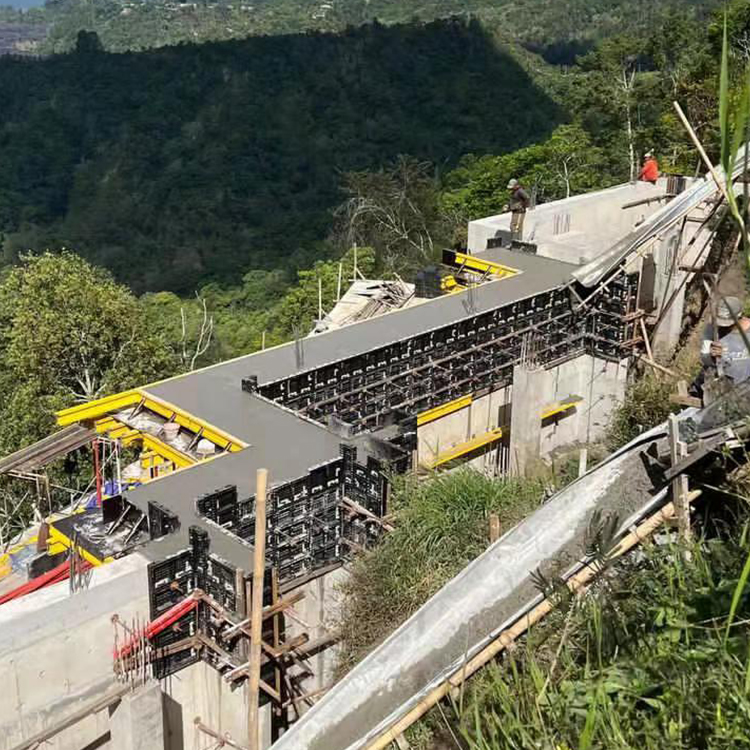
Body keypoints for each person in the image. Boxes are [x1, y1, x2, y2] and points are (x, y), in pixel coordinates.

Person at [693, 296, 750, 405]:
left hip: (744, 391)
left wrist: (727, 356)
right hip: (717, 391)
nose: (723, 327)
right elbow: (705, 359)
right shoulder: (712, 330)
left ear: (739, 317)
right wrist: (712, 356)